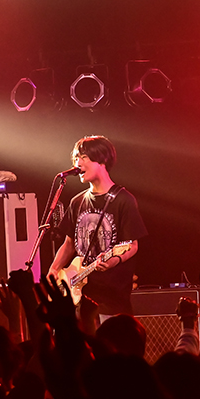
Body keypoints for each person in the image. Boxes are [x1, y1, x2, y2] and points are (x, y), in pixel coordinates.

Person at [47, 135, 147, 330]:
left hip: (111, 298)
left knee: (110, 345)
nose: (77, 164)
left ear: (102, 160)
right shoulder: (77, 202)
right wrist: (54, 269)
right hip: (80, 297)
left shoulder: (124, 200)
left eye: (83, 157)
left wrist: (114, 260)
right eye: (76, 158)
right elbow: (69, 244)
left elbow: (132, 245)